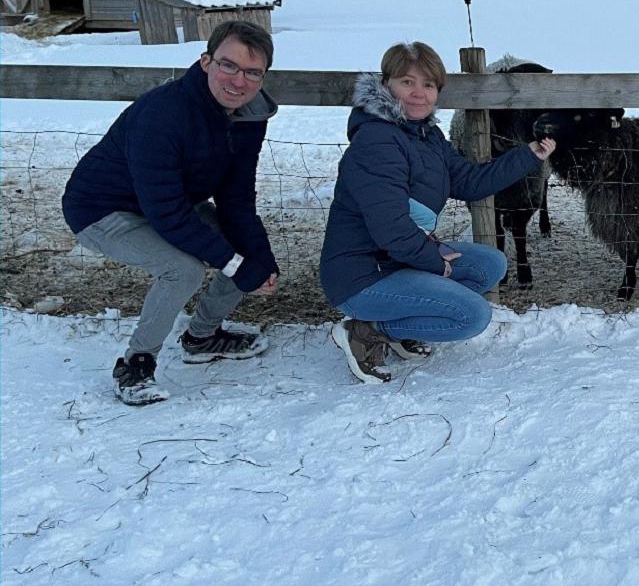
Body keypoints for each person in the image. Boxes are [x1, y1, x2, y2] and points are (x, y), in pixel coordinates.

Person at [62, 21, 281, 406]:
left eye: (252, 72)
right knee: (183, 269)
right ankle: (136, 365)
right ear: (205, 61)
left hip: (173, 203)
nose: (238, 81)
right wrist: (234, 265)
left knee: (244, 254)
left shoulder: (249, 117)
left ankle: (202, 337)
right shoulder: (162, 113)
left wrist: (259, 258)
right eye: (228, 65)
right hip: (103, 209)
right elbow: (166, 215)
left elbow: (237, 198)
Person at [320, 41, 555, 383]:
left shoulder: (427, 137)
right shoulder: (376, 141)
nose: (419, 93)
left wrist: (527, 155)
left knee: (490, 264)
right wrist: (435, 263)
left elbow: (471, 182)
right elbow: (391, 227)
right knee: (471, 316)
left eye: (428, 85)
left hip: (396, 260)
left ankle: (399, 327)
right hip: (363, 275)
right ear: (387, 85)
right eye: (407, 82)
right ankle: (367, 328)